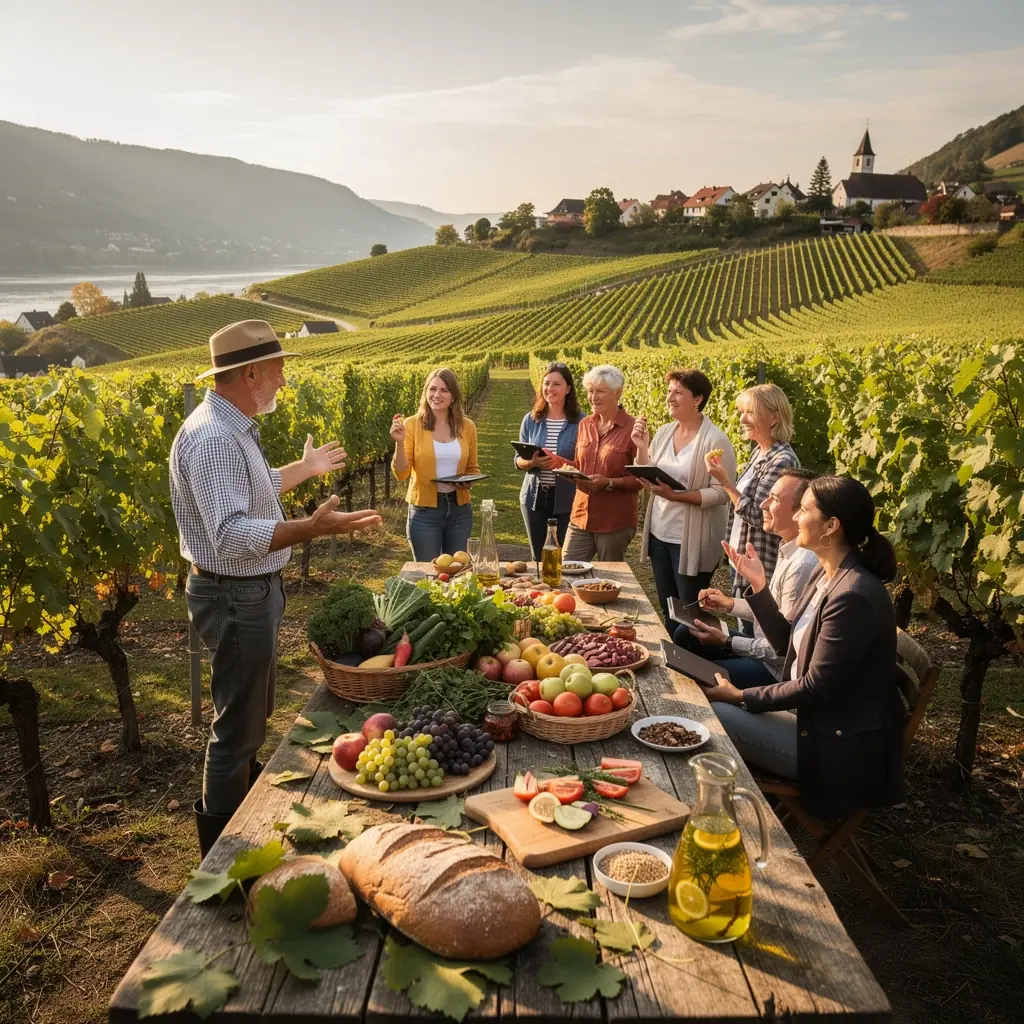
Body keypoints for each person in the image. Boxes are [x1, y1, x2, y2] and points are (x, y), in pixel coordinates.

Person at [170, 319, 382, 855]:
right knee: (236, 731)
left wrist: (305, 469)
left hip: (246, 592)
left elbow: (255, 488)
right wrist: (310, 527)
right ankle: (222, 860)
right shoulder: (215, 438)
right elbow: (230, 534)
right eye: (279, 369)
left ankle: (242, 819)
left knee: (250, 718)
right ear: (251, 373)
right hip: (234, 594)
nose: (284, 379)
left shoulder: (231, 426)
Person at [701, 475, 904, 819]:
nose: (795, 516)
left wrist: (740, 696)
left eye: (805, 510)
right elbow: (786, 643)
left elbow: (816, 687)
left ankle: (725, 817)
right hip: (814, 721)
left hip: (835, 748)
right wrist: (759, 586)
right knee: (709, 700)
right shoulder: (827, 574)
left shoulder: (852, 595)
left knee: (712, 715)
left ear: (831, 526)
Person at [674, 468, 820, 689]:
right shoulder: (788, 549)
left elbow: (784, 650)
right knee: (686, 633)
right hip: (762, 651)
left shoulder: (802, 566)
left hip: (775, 671)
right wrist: (729, 604)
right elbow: (773, 613)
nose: (762, 505)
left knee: (691, 676)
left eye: (774, 499)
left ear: (799, 512)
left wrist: (728, 642)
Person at [632, 368, 737, 630]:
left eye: (678, 392)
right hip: (660, 533)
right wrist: (642, 448)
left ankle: (695, 655)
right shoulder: (665, 432)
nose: (670, 397)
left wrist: (676, 496)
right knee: (668, 608)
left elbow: (722, 492)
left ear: (698, 399)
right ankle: (675, 654)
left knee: (690, 614)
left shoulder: (715, 439)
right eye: (669, 391)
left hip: (691, 540)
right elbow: (648, 469)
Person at [706, 383, 799, 634]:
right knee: (745, 626)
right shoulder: (759, 452)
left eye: (750, 412)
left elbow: (759, 515)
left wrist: (725, 483)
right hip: (744, 560)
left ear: (774, 417)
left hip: (761, 565)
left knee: (755, 634)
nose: (742, 419)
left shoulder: (782, 460)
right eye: (741, 412)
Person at [391, 367, 480, 560]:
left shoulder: (467, 427)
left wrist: (468, 481)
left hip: (459, 511)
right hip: (424, 512)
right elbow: (401, 473)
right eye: (432, 389)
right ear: (426, 392)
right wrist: (399, 442)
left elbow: (473, 468)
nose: (437, 395)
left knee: (457, 570)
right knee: (428, 571)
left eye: (444, 390)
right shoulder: (411, 425)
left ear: (453, 396)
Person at [563, 365, 643, 562]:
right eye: (590, 391)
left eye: (600, 391)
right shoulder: (585, 424)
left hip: (614, 522)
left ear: (618, 392)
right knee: (567, 569)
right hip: (581, 516)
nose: (593, 397)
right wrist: (566, 470)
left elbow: (641, 479)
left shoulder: (633, 429)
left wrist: (609, 482)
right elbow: (580, 464)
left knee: (610, 576)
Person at [515, 362, 581, 560]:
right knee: (538, 557)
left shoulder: (581, 422)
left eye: (556, 384)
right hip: (534, 499)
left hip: (567, 499)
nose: (550, 388)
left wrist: (560, 463)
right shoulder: (530, 420)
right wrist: (532, 463)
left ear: (568, 388)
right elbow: (517, 461)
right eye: (546, 383)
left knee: (562, 558)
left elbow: (584, 464)